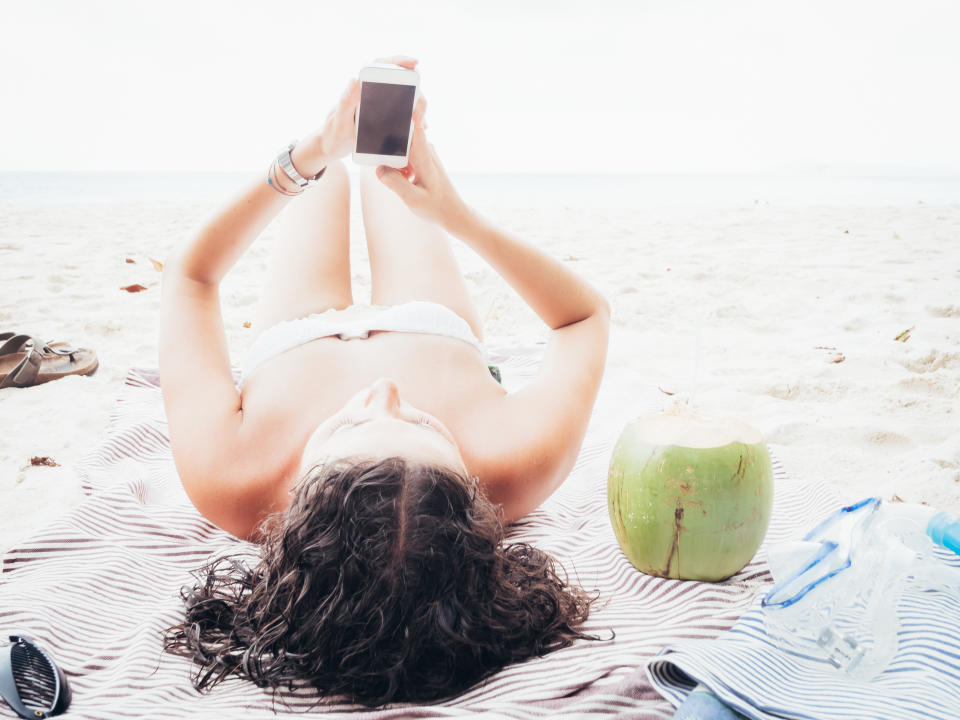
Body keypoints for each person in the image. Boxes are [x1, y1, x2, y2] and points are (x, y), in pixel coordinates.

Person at [160, 56, 611, 706]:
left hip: (298, 334)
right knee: (387, 169)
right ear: (475, 504)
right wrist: (455, 214)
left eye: (345, 425)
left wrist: (307, 156)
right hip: (431, 322)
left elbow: (192, 279)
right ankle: (372, 136)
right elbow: (584, 319)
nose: (386, 392)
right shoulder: (516, 465)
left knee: (329, 178)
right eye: (425, 425)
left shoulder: (228, 478)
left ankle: (338, 141)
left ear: (291, 517)